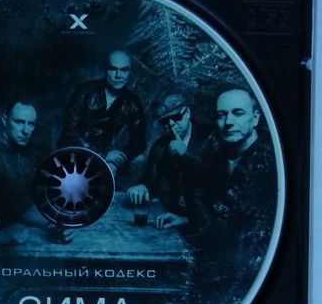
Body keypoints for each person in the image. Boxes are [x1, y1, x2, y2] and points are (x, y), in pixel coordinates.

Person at [192, 88, 277, 269]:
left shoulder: (272, 163)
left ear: (255, 118)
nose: (228, 122)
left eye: (238, 113)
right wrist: (186, 219)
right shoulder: (215, 159)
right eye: (221, 115)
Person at [0, 101, 73, 243]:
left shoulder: (28, 149)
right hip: (0, 232)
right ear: (4, 120)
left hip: (28, 224)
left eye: (31, 124)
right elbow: (16, 205)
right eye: (19, 122)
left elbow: (49, 183)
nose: (26, 131)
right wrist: (55, 224)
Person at [126, 94, 211, 229]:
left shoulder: (211, 137)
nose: (171, 124)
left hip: (208, 218)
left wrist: (186, 154)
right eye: (165, 121)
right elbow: (152, 179)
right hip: (173, 213)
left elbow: (217, 180)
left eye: (176, 117)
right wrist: (143, 187)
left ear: (187, 113)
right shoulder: (160, 145)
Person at [57, 49, 145, 175]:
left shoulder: (132, 101)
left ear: (129, 72)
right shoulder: (85, 91)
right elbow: (69, 131)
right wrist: (102, 155)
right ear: (105, 69)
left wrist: (118, 159)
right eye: (113, 69)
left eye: (124, 70)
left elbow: (139, 140)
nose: (118, 75)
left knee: (140, 159)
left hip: (106, 157)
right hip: (74, 151)